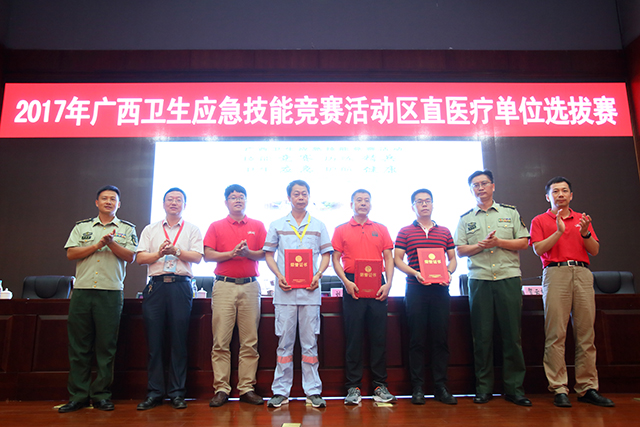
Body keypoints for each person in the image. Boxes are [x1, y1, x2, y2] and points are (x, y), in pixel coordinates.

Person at [529, 177, 614, 408]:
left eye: (565, 191)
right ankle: (559, 388)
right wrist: (559, 232)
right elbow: (538, 249)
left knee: (586, 334)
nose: (560, 194)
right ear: (547, 196)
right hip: (556, 273)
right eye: (555, 191)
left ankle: (587, 387)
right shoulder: (539, 220)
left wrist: (585, 233)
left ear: (571, 195)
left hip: (583, 273)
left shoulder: (582, 219)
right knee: (556, 333)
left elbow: (594, 250)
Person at [454, 170, 531, 406]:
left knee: (512, 336)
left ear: (493, 186)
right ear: (471, 190)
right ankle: (484, 388)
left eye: (484, 183)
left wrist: (499, 242)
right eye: (475, 185)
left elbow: (524, 242)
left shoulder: (510, 212)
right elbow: (460, 250)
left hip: (508, 277)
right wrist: (481, 245)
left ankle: (515, 389)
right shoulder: (466, 218)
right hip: (480, 280)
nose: (480, 188)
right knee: (482, 336)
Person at [59, 185, 137, 413]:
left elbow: (130, 256)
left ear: (119, 204)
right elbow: (71, 253)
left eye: (113, 199)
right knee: (79, 346)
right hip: (82, 291)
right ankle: (78, 396)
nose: (108, 202)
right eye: (104, 198)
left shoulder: (127, 229)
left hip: (110, 292)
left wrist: (111, 243)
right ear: (97, 202)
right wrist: (97, 245)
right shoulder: (81, 227)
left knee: (106, 346)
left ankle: (101, 395)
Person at [263, 180, 333, 408]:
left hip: (310, 293)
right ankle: (280, 391)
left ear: (309, 196)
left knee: (310, 344)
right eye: (296, 194)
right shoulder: (277, 224)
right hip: (285, 293)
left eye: (304, 194)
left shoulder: (319, 225)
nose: (301, 197)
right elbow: (269, 254)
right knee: (284, 344)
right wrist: (278, 275)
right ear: (289, 198)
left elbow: (326, 255)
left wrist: (318, 274)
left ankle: (313, 391)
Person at [135, 188, 204, 410]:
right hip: (156, 287)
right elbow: (140, 258)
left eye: (178, 200)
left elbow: (197, 257)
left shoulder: (192, 229)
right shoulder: (150, 229)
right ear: (163, 203)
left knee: (178, 341)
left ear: (185, 204)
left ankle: (177, 393)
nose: (174, 203)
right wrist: (159, 254)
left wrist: (176, 251)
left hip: (180, 286)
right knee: (154, 342)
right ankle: (154, 393)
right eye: (170, 199)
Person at [204, 184, 267, 407]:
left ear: (246, 200)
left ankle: (246, 388)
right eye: (233, 197)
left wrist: (248, 253)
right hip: (224, 286)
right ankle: (221, 389)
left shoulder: (257, 225)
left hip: (250, 286)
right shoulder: (216, 226)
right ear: (226, 202)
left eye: (241, 197)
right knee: (221, 340)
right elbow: (207, 255)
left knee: (250, 341)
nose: (237, 200)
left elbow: (265, 253)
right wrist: (231, 254)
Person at [332, 189, 396, 405]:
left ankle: (380, 385)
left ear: (371, 204)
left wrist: (388, 283)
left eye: (366, 200)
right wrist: (346, 282)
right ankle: (353, 387)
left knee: (379, 337)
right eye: (359, 200)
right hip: (353, 284)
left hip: (377, 284)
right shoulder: (341, 229)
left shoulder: (381, 228)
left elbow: (388, 257)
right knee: (354, 338)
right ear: (351, 204)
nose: (363, 203)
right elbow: (335, 259)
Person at [395, 189, 458, 405]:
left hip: (440, 290)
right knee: (417, 339)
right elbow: (397, 259)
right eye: (419, 201)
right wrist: (415, 273)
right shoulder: (405, 231)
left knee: (440, 339)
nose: (424, 204)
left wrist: (448, 273)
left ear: (432, 204)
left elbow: (453, 259)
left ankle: (440, 387)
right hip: (416, 290)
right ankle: (418, 387)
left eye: (427, 201)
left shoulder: (445, 231)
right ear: (413, 206)